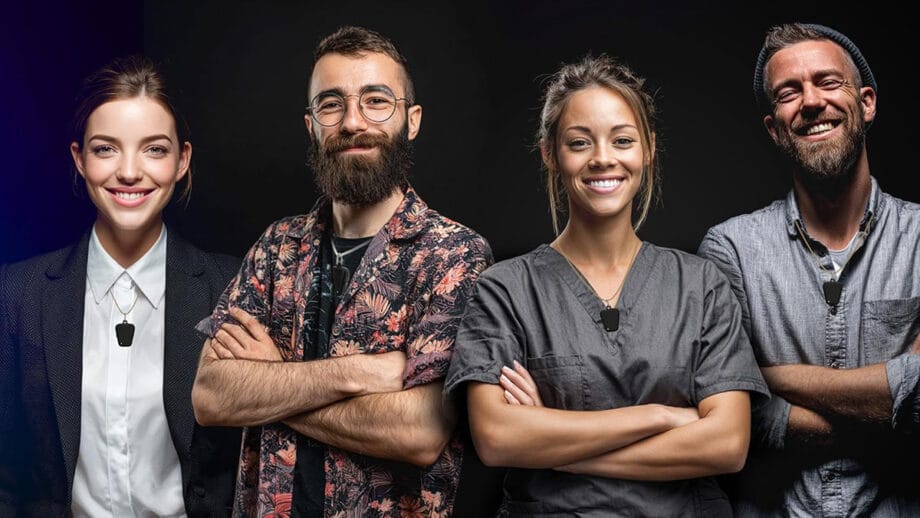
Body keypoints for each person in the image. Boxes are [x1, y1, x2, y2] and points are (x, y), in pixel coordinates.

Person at [444, 54, 768, 517]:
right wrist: (657, 416)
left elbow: (727, 444)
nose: (602, 158)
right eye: (579, 142)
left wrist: (553, 442)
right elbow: (497, 438)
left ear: (648, 149)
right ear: (550, 154)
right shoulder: (505, 290)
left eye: (622, 140)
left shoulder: (701, 286)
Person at [191, 26, 492, 516]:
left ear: (411, 121)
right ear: (311, 124)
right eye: (331, 104)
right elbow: (210, 396)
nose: (353, 122)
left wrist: (273, 380)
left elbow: (419, 432)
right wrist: (362, 373)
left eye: (376, 101)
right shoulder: (276, 248)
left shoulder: (453, 255)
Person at [0, 56, 242, 517]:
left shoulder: (230, 287)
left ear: (182, 161)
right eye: (106, 148)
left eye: (154, 149)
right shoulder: (19, 293)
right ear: (79, 158)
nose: (129, 172)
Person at [698, 22, 920, 516]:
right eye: (789, 92)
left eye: (827, 82)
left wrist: (770, 375)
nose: (812, 101)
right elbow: (736, 413)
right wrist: (889, 408)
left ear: (866, 103)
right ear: (774, 127)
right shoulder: (730, 248)